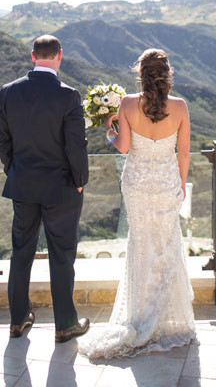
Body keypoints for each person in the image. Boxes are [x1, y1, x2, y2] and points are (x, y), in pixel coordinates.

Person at [79, 48, 196, 359]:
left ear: (140, 74)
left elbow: (123, 147)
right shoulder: (181, 107)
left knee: (141, 244)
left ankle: (139, 315)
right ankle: (165, 317)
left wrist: (108, 129)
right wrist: (181, 184)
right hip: (167, 183)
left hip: (138, 185)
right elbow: (183, 154)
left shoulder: (128, 104)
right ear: (167, 74)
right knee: (167, 244)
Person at [0, 34, 90, 342]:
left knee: (21, 251)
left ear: (33, 56)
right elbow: (76, 146)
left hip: (23, 185)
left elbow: (3, 140)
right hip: (61, 188)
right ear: (59, 56)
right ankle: (65, 323)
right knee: (61, 254)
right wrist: (79, 181)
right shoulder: (69, 95)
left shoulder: (8, 92)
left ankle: (18, 319)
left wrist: (14, 170)